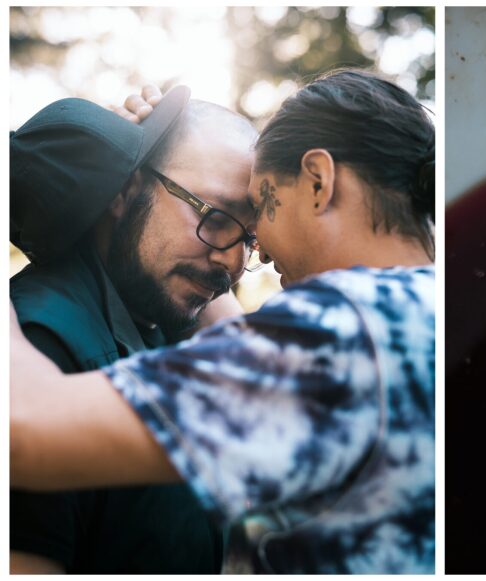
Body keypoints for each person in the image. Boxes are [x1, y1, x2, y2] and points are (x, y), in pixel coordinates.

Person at [10, 69, 436, 574]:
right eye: (218, 218)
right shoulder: (430, 302)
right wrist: (130, 172)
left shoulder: (341, 333)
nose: (238, 263)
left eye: (255, 225)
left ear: (318, 182)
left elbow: (23, 426)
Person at [9, 87, 259, 573]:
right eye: (213, 217)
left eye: (249, 239)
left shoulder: (168, 322)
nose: (233, 261)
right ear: (126, 190)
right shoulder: (42, 348)